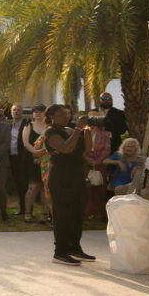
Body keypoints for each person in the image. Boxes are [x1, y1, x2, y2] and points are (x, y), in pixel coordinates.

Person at [44, 104, 94, 266]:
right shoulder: (50, 132)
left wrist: (86, 130)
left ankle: (74, 247)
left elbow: (87, 148)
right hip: (61, 177)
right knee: (62, 215)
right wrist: (78, 130)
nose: (66, 117)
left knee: (77, 213)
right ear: (52, 117)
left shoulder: (71, 129)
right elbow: (65, 149)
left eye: (67, 114)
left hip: (76, 175)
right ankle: (60, 252)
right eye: (61, 114)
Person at [22, 104, 50, 223]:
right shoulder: (28, 125)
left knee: (45, 188)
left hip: (47, 161)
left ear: (45, 113)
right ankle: (27, 213)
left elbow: (52, 143)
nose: (38, 114)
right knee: (32, 187)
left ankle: (44, 215)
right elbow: (25, 143)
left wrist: (43, 152)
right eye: (35, 111)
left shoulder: (49, 127)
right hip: (32, 160)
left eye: (40, 111)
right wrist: (35, 152)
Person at [83, 116, 112, 220]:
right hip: (86, 165)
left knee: (100, 189)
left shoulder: (105, 135)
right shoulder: (83, 133)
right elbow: (80, 148)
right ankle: (87, 212)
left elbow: (106, 150)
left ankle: (99, 212)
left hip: (100, 166)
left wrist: (97, 161)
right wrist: (87, 159)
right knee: (87, 188)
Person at [7, 103, 30, 217]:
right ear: (11, 112)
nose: (16, 112)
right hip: (12, 158)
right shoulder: (8, 125)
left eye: (18, 110)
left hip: (23, 159)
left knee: (24, 185)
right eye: (14, 110)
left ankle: (27, 210)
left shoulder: (27, 125)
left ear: (22, 112)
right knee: (18, 184)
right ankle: (22, 209)